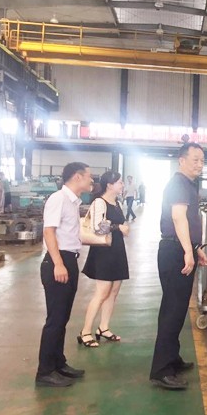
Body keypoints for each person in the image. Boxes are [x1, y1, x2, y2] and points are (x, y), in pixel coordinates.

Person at [150, 142, 207, 391]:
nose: (200, 164)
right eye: (195, 159)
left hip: (180, 249)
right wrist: (187, 251)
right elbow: (178, 217)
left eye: (202, 160)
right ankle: (161, 370)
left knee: (177, 309)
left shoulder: (187, 184)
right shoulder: (178, 184)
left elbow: (187, 222)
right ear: (181, 160)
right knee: (172, 311)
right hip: (174, 252)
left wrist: (195, 248)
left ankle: (172, 358)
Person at [35, 161, 94, 387]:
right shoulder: (58, 199)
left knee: (63, 318)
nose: (91, 180)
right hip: (57, 261)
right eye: (89, 176)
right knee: (55, 319)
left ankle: (58, 363)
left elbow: (70, 234)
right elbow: (48, 232)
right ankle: (45, 371)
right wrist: (58, 264)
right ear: (77, 177)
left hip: (69, 260)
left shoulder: (73, 202)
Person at [77, 171, 131, 348]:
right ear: (109, 185)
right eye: (119, 182)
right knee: (102, 292)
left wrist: (122, 228)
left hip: (117, 249)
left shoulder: (117, 203)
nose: (122, 185)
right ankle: (85, 331)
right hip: (104, 251)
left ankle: (103, 327)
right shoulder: (99, 202)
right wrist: (118, 227)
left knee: (114, 290)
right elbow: (97, 227)